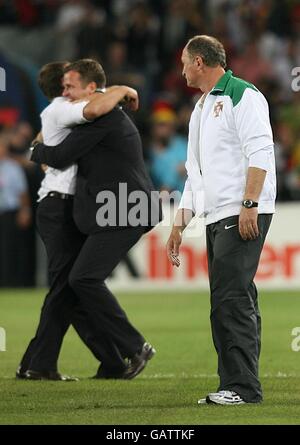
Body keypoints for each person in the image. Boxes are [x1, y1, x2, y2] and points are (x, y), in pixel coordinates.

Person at [29, 59, 161, 380]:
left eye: (70, 87)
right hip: (118, 209)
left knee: (82, 279)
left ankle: (134, 347)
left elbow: (59, 156)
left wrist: (34, 149)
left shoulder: (101, 118)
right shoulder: (103, 114)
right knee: (79, 280)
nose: (65, 94)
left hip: (125, 209)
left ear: (91, 88)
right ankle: (116, 359)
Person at [166, 35, 276, 405]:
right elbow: (196, 176)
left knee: (229, 298)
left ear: (199, 61)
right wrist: (180, 223)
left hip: (241, 210)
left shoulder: (242, 95)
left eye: (184, 62)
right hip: (218, 213)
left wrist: (250, 203)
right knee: (232, 297)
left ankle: (242, 388)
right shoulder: (202, 108)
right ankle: (238, 383)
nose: (180, 70)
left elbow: (260, 149)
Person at [0, 135, 31, 286]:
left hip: (8, 212)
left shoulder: (13, 168)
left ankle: (9, 283)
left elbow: (22, 192)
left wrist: (25, 210)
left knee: (9, 249)